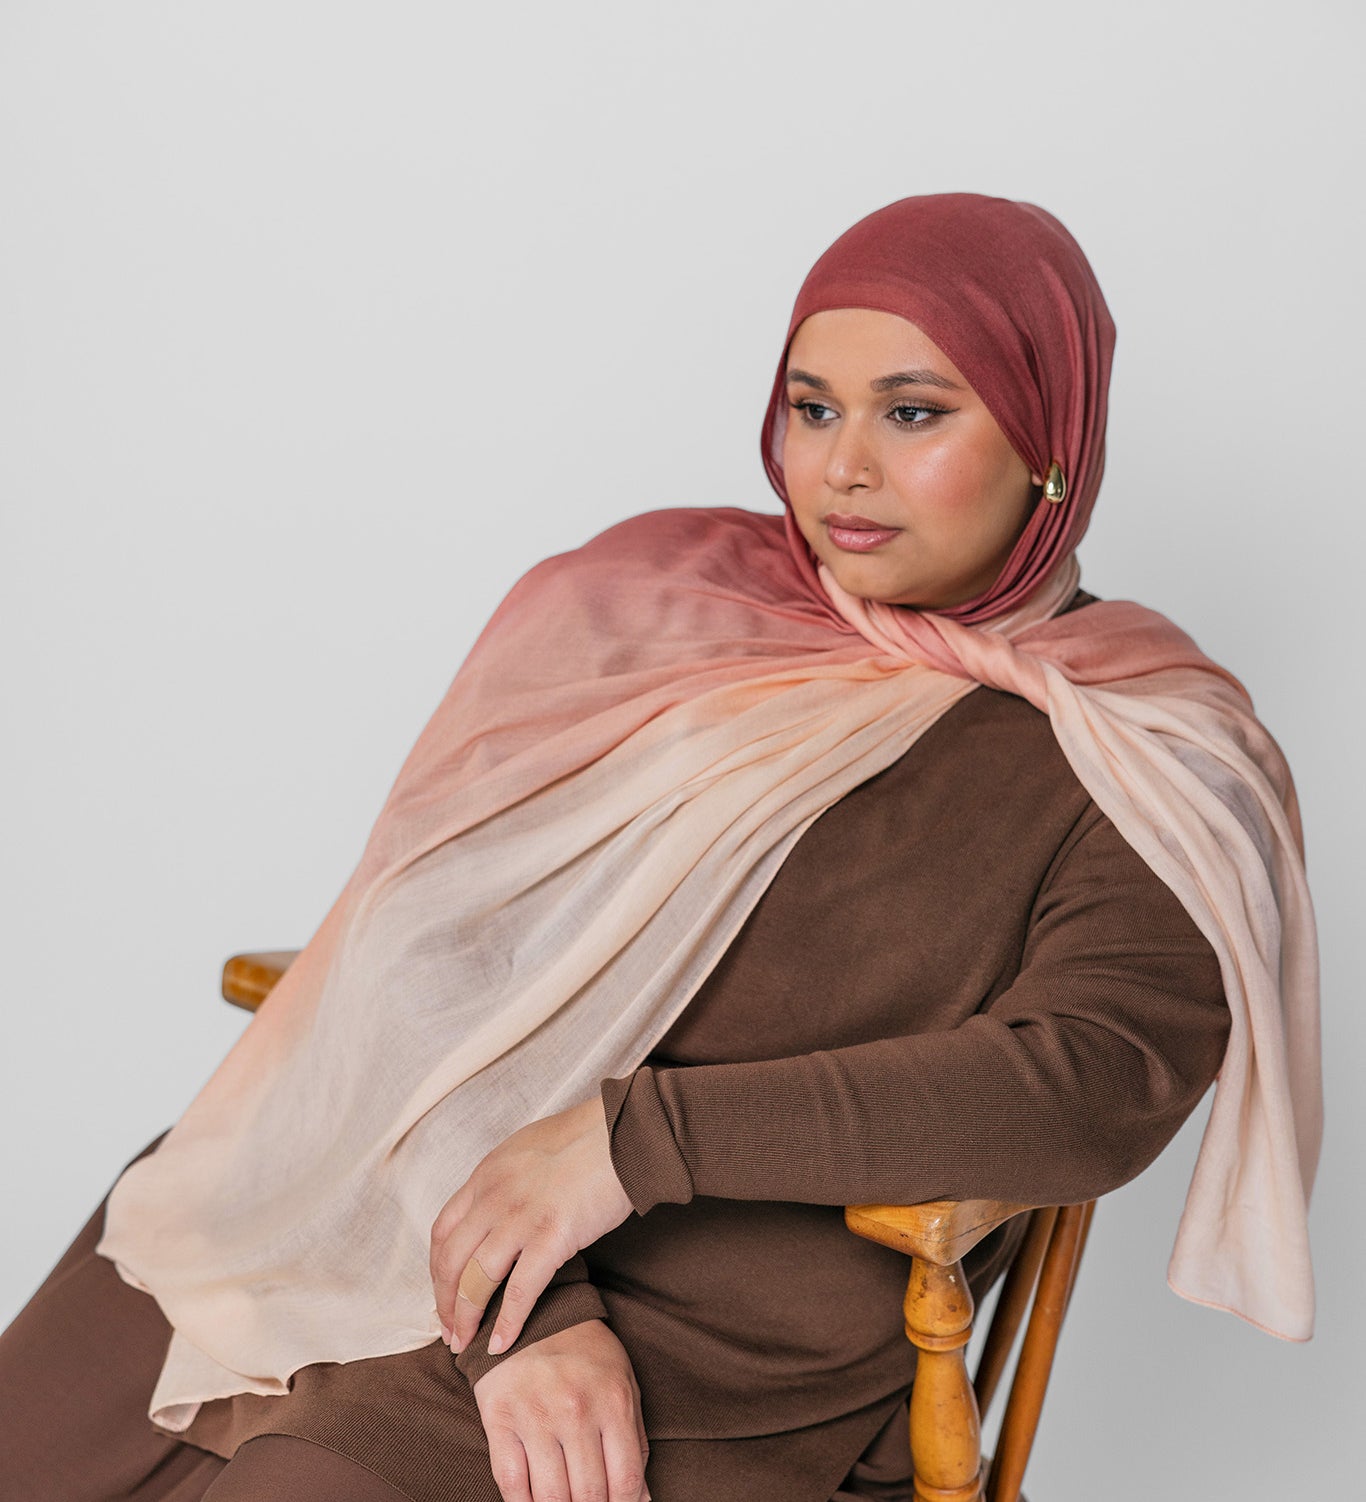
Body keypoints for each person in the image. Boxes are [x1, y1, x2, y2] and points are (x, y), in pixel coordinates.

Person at [0, 193, 1320, 1502]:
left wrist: (633, 1140)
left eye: (911, 411)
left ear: (1048, 439)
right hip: (381, 1196)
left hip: (716, 1347)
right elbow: (438, 942)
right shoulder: (661, 606)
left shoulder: (1139, 743)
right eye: (812, 407)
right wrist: (529, 1301)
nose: (841, 466)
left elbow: (1085, 1077)